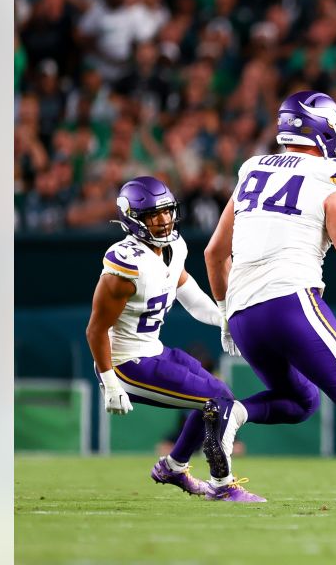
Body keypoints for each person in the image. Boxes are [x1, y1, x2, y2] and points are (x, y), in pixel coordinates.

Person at [201, 91, 336, 514]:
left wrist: (225, 312)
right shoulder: (334, 174)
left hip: (243, 312)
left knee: (300, 401)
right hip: (292, 301)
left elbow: (213, 252)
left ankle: (233, 414)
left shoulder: (252, 168)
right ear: (326, 128)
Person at [85, 176, 258, 501]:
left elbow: (189, 294)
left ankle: (174, 467)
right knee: (217, 402)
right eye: (153, 214)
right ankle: (222, 485)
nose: (163, 220)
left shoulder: (173, 247)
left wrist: (223, 318)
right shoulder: (124, 268)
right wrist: (109, 382)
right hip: (125, 363)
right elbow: (95, 329)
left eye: (166, 212)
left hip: (154, 349)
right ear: (132, 219)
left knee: (219, 394)